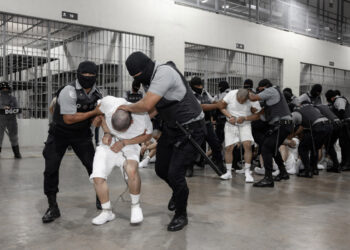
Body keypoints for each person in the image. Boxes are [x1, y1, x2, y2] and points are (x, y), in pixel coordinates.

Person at [118, 51, 210, 232]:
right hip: (172, 128)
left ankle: (181, 214)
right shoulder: (148, 79)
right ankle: (178, 192)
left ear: (146, 67)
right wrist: (137, 128)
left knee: (176, 173)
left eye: (138, 75)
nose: (138, 79)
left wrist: (125, 107)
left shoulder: (163, 73)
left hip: (191, 128)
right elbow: (153, 110)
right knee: (161, 169)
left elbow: (146, 105)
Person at [42, 61, 102, 223]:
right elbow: (69, 119)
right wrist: (94, 112)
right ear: (78, 74)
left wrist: (98, 117)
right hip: (59, 134)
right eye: (85, 75)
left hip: (81, 135)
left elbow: (100, 116)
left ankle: (101, 198)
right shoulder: (68, 91)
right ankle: (52, 207)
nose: (88, 78)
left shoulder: (98, 94)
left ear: (96, 76)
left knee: (94, 167)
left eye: (92, 75)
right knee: (51, 169)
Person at [90, 96, 153, 225]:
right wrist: (107, 131)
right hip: (109, 143)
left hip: (130, 145)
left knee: (132, 170)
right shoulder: (108, 102)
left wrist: (125, 142)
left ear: (132, 122)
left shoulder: (142, 115)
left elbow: (148, 135)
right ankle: (106, 212)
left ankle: (135, 206)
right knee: (97, 176)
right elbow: (99, 113)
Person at [248, 79, 293, 187]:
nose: (260, 93)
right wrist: (254, 112)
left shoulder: (272, 90)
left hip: (282, 124)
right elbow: (262, 117)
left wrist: (245, 91)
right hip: (283, 125)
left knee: (266, 148)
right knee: (272, 149)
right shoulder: (270, 102)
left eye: (260, 90)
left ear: (266, 86)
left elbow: (253, 97)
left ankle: (268, 178)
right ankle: (283, 172)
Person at [187, 76, 226, 177]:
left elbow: (213, 101)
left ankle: (220, 165)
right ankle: (189, 167)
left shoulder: (205, 92)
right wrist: (217, 106)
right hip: (195, 124)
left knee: (216, 144)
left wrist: (221, 103)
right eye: (197, 86)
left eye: (201, 85)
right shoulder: (189, 94)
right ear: (192, 86)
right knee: (193, 146)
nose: (199, 87)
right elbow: (201, 107)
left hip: (207, 123)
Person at [219, 88, 260, 183]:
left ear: (247, 98)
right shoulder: (231, 94)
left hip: (245, 124)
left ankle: (247, 172)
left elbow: (257, 116)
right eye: (239, 100)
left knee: (247, 145)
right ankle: (228, 172)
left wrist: (245, 118)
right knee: (229, 147)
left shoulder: (252, 99)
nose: (241, 102)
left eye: (243, 101)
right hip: (230, 123)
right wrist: (230, 116)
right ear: (236, 95)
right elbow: (222, 107)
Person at [292, 102, 331, 177]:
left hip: (318, 127)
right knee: (315, 147)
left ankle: (308, 171)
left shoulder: (296, 113)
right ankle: (314, 169)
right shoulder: (311, 108)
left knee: (302, 148)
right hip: (328, 125)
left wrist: (293, 135)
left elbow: (292, 127)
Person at [325, 90, 350, 171]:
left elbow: (341, 110)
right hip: (344, 124)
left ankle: (347, 164)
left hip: (347, 123)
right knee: (343, 144)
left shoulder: (339, 100)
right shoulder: (337, 101)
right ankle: (344, 162)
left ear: (331, 97)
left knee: (346, 144)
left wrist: (336, 119)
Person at [314, 103, 342, 173]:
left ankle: (336, 166)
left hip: (332, 125)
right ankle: (336, 165)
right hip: (338, 123)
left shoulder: (315, 108)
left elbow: (319, 120)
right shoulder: (324, 106)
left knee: (327, 146)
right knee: (330, 146)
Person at [0, 81, 21, 158]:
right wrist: (4, 108)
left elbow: (17, 108)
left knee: (14, 137)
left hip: (11, 119)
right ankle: (17, 154)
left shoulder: (13, 98)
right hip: (1, 119)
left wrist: (10, 108)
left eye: (6, 89)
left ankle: (17, 153)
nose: (5, 90)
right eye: (3, 89)